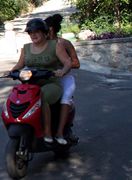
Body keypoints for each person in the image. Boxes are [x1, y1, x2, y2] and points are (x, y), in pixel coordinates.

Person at [5, 18, 73, 144]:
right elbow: (19, 65)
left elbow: (68, 62)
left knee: (42, 97)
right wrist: (10, 72)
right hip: (31, 84)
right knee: (17, 98)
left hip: (51, 83)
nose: (33, 35)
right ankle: (28, 124)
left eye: (37, 31)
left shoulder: (55, 46)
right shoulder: (26, 48)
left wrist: (63, 71)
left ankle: (47, 132)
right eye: (31, 32)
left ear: (45, 33)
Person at [44, 14, 80, 145]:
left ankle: (59, 132)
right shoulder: (42, 45)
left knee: (65, 98)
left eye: (43, 29)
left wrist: (61, 65)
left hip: (64, 78)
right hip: (48, 79)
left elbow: (76, 63)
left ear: (51, 29)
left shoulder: (64, 43)